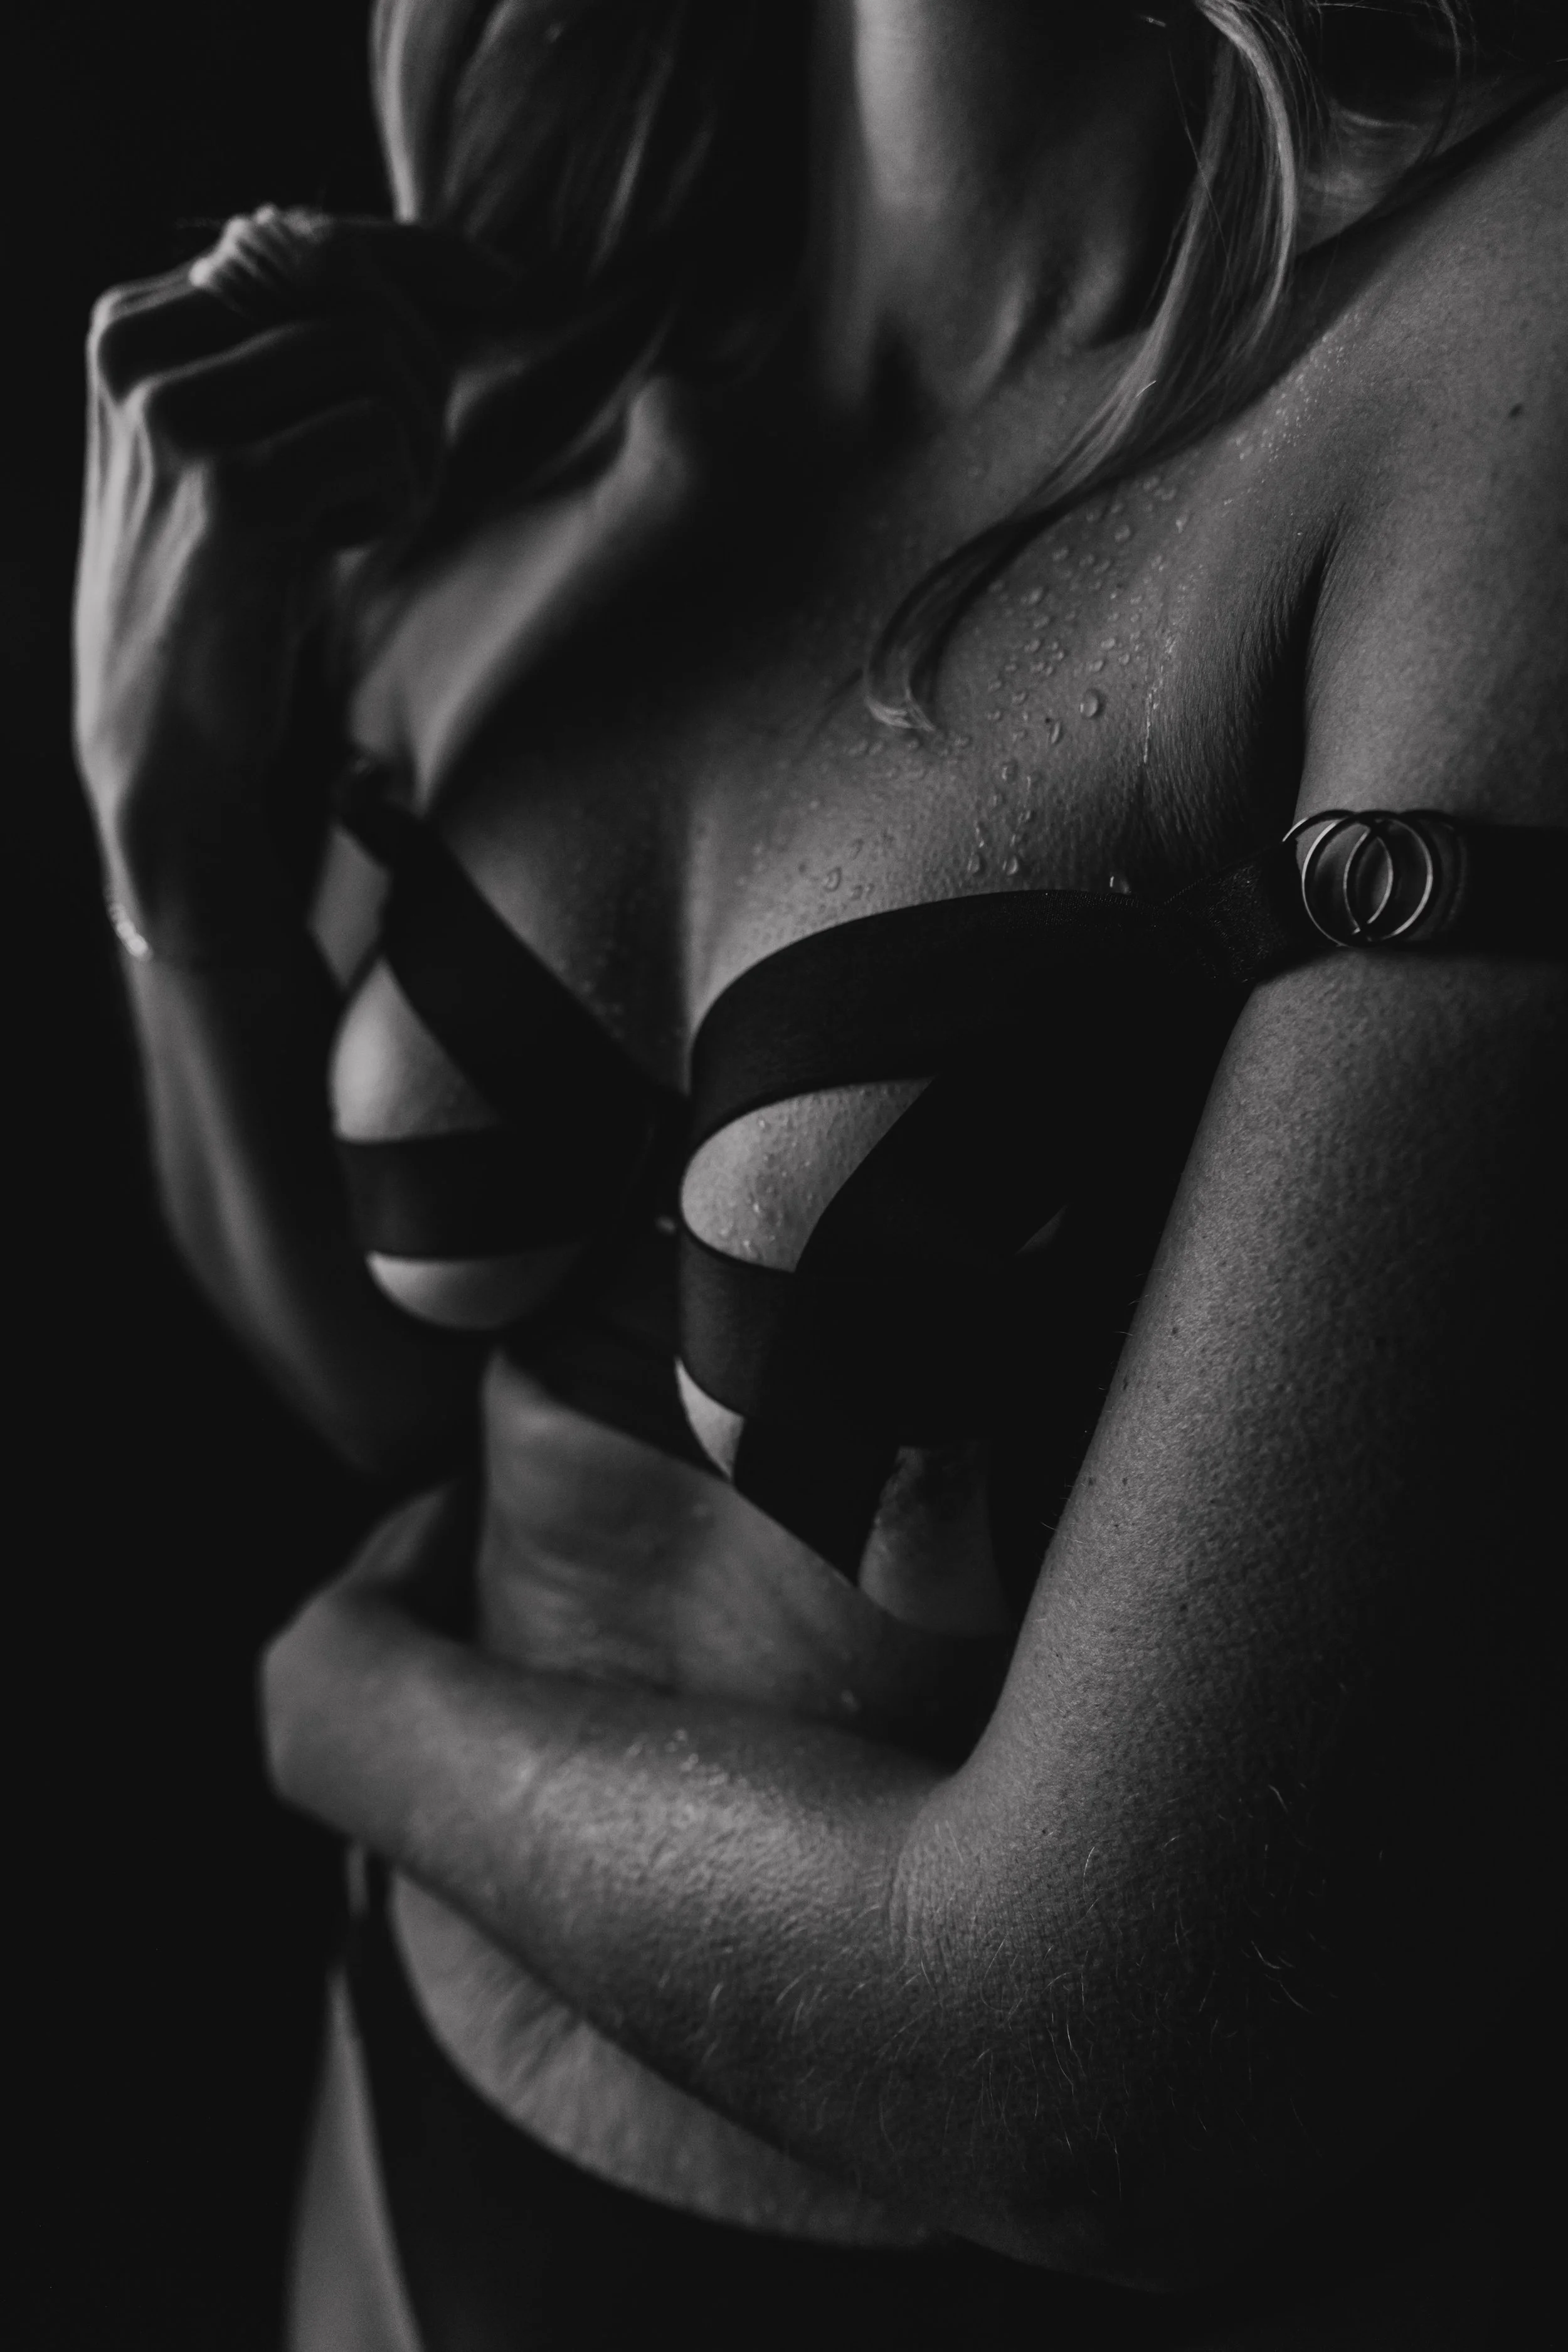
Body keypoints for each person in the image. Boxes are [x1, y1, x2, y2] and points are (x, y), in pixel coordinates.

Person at [73, 3, 1565, 2344]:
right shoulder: (529, 362)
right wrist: (165, 830)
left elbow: (1111, 2082)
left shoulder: (1499, 342)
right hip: (381, 2193)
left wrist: (356, 1718)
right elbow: (396, 1392)